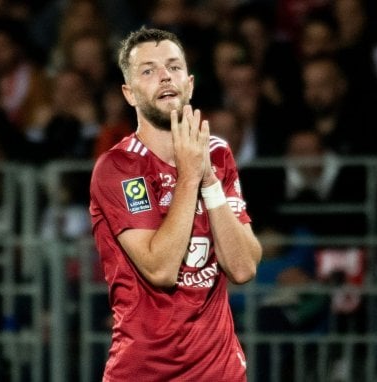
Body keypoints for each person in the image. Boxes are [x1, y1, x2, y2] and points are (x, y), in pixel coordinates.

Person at [89, 27, 262, 381]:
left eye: (173, 66)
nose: (165, 75)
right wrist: (189, 177)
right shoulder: (119, 167)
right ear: (129, 93)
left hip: (220, 372)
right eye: (148, 70)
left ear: (190, 84)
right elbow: (161, 268)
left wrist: (209, 180)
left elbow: (243, 268)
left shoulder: (216, 154)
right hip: (144, 372)